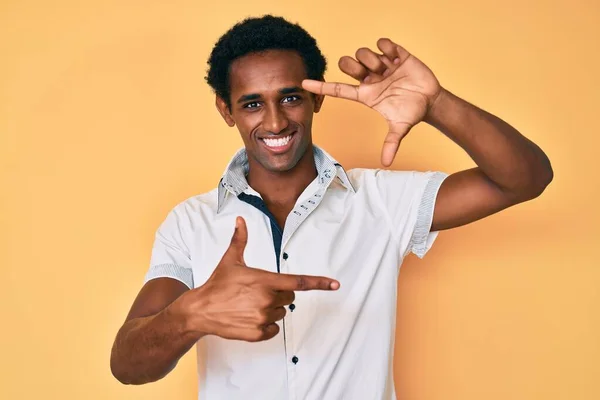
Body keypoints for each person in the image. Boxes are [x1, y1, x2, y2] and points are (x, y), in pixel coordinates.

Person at [110, 15, 553, 400]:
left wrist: (437, 105)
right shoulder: (190, 224)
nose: (276, 122)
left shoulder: (381, 201)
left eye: (289, 97)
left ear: (317, 98)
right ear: (227, 110)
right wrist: (191, 314)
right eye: (251, 104)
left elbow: (526, 178)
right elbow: (127, 365)